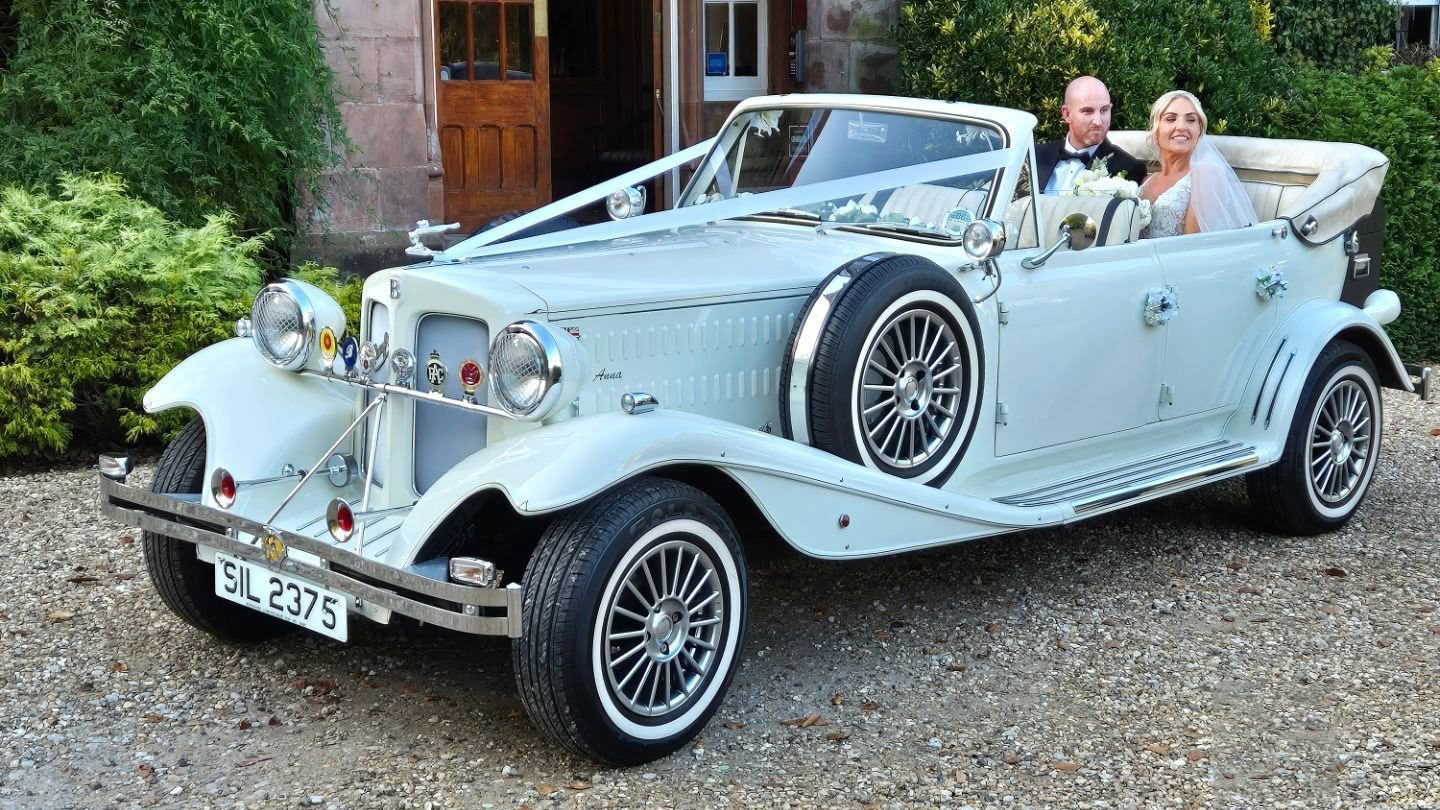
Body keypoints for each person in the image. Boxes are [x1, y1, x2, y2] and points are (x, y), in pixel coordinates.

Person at [1140, 90, 1258, 237]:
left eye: (1190, 120)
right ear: (1156, 130)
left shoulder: (1207, 175)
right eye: (1170, 119)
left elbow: (1195, 246)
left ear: (1200, 129)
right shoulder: (1147, 180)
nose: (1182, 127)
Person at [1035, 76, 1147, 194]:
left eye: (1104, 110)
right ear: (1067, 114)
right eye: (1088, 111)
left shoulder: (1128, 168)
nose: (1098, 121)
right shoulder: (1035, 156)